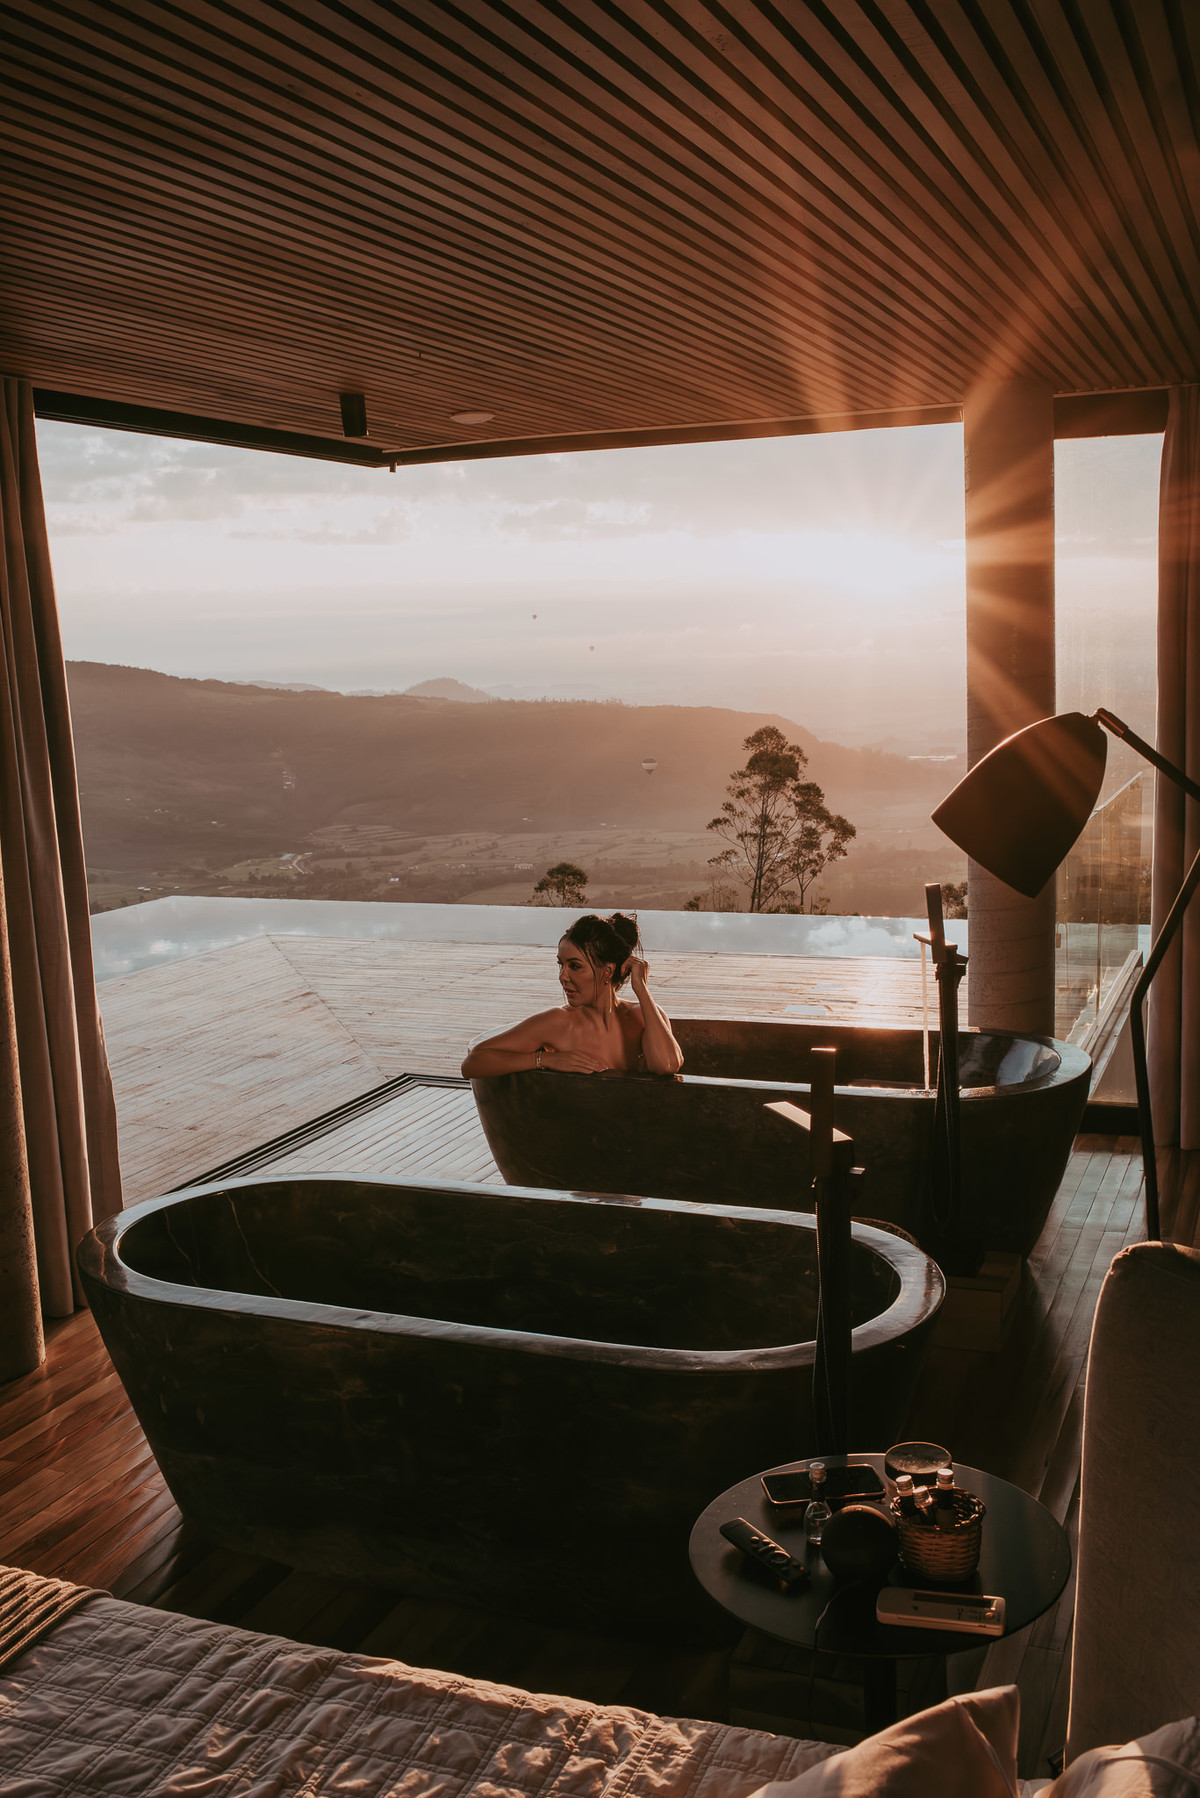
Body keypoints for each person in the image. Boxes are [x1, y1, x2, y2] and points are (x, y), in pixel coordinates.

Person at [461, 912, 684, 1077]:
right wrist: (545, 1059)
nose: (562, 977)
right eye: (561, 965)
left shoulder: (642, 1016)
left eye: (575, 966)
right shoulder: (558, 1022)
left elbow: (667, 1066)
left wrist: (642, 990)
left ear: (606, 971)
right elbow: (472, 1063)